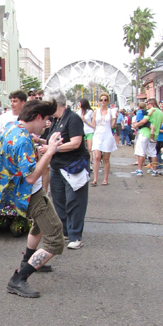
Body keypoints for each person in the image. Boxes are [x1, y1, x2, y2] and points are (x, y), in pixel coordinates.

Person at [0, 99, 64, 298]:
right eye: (46, 120)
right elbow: (31, 177)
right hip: (30, 194)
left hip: (19, 192)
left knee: (40, 226)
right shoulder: (23, 140)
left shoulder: (12, 127)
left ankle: (29, 261)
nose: (47, 124)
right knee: (55, 239)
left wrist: (39, 144)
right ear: (38, 117)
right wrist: (49, 151)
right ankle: (19, 279)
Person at [48, 98, 90, 250]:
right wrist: (41, 142)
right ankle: (66, 231)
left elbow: (76, 143)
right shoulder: (56, 120)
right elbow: (53, 142)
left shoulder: (72, 118)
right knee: (59, 200)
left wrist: (53, 149)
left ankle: (75, 235)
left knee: (74, 201)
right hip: (57, 167)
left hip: (73, 166)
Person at [132, 98, 163, 176]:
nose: (147, 106)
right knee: (153, 152)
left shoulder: (150, 111)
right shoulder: (161, 113)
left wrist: (136, 125)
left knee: (141, 151)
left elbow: (144, 121)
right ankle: (154, 170)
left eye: (148, 104)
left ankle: (140, 170)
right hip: (154, 134)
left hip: (145, 133)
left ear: (151, 104)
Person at [91, 93, 117, 185]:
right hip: (98, 135)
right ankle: (95, 179)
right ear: (99, 101)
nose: (103, 102)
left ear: (108, 101)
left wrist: (115, 118)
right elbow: (94, 125)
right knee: (97, 156)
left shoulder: (111, 111)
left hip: (107, 135)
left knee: (106, 158)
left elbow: (112, 126)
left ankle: (106, 179)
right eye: (101, 100)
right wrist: (85, 121)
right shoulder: (96, 111)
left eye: (105, 100)